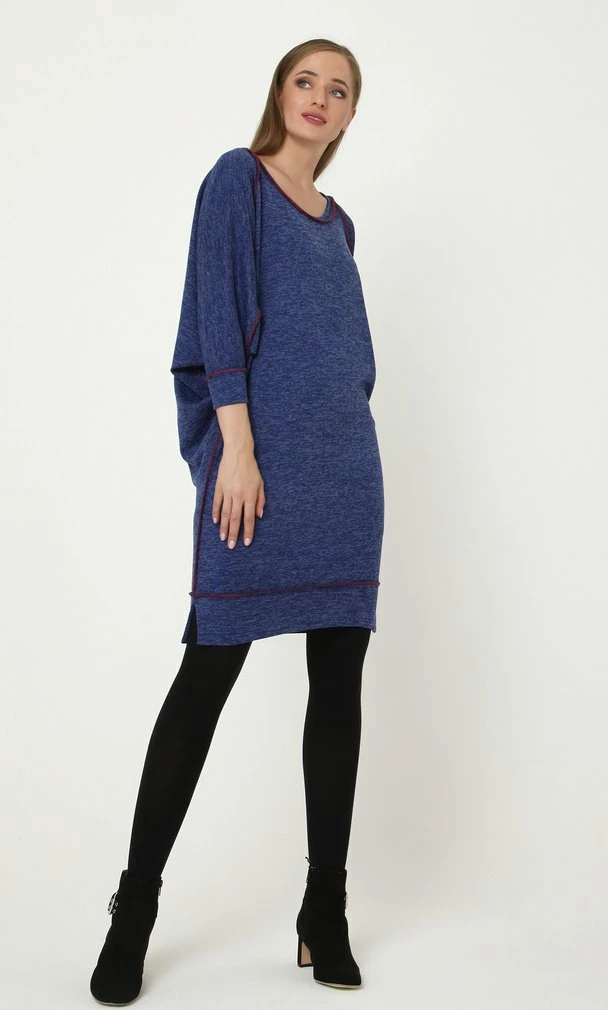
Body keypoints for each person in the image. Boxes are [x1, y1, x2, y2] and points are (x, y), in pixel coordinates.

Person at [89, 37, 384, 1004]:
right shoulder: (237, 182)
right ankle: (134, 908)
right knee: (204, 678)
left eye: (338, 90)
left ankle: (324, 910)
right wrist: (238, 449)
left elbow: (344, 355)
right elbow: (217, 317)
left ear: (350, 116)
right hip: (255, 471)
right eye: (306, 81)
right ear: (280, 92)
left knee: (336, 690)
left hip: (345, 478)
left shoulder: (339, 226)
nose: (319, 98)